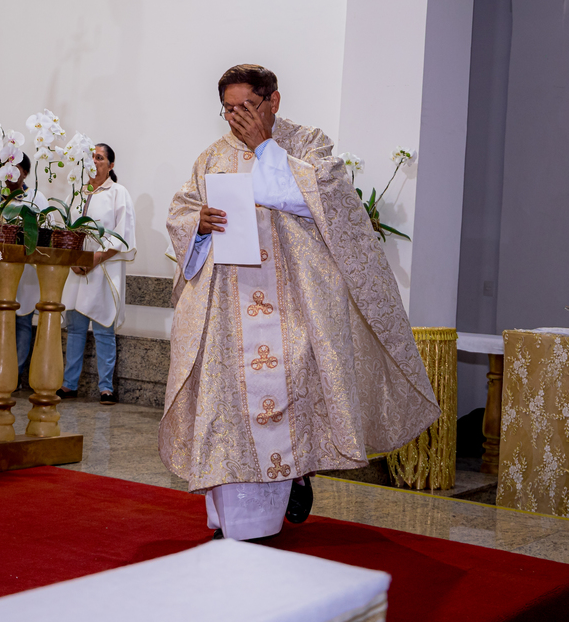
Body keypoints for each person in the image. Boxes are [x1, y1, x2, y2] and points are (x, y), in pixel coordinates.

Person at [162, 64, 440, 541]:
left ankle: (290, 481)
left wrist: (267, 149)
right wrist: (199, 224)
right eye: (228, 110)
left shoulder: (308, 144)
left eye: (246, 107)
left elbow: (324, 203)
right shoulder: (211, 157)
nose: (236, 119)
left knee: (290, 402)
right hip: (230, 312)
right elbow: (182, 213)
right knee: (227, 411)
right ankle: (235, 523)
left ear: (273, 101)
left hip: (295, 306)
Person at [58, 144, 136, 405]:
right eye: (91, 157)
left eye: (99, 158)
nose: (94, 161)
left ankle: (106, 388)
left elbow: (122, 233)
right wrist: (72, 259)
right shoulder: (77, 194)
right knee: (76, 329)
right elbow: (65, 230)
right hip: (76, 271)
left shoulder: (118, 193)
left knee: (104, 331)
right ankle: (69, 384)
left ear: (111, 165)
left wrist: (95, 258)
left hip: (104, 269)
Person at [6, 154, 48, 382]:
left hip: (28, 271)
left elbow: (44, 232)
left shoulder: (36, 197)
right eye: (6, 168)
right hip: (4, 270)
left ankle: (14, 374)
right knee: (3, 317)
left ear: (25, 172)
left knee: (23, 321)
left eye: (16, 168)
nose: (10, 173)